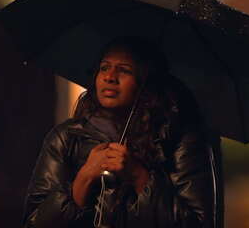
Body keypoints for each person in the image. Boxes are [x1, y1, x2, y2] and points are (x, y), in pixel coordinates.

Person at [22, 37, 223, 228]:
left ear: (145, 82)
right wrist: (84, 178)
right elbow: (33, 223)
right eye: (104, 68)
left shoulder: (178, 139)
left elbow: (199, 223)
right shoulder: (66, 138)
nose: (110, 77)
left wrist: (139, 177)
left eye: (124, 70)